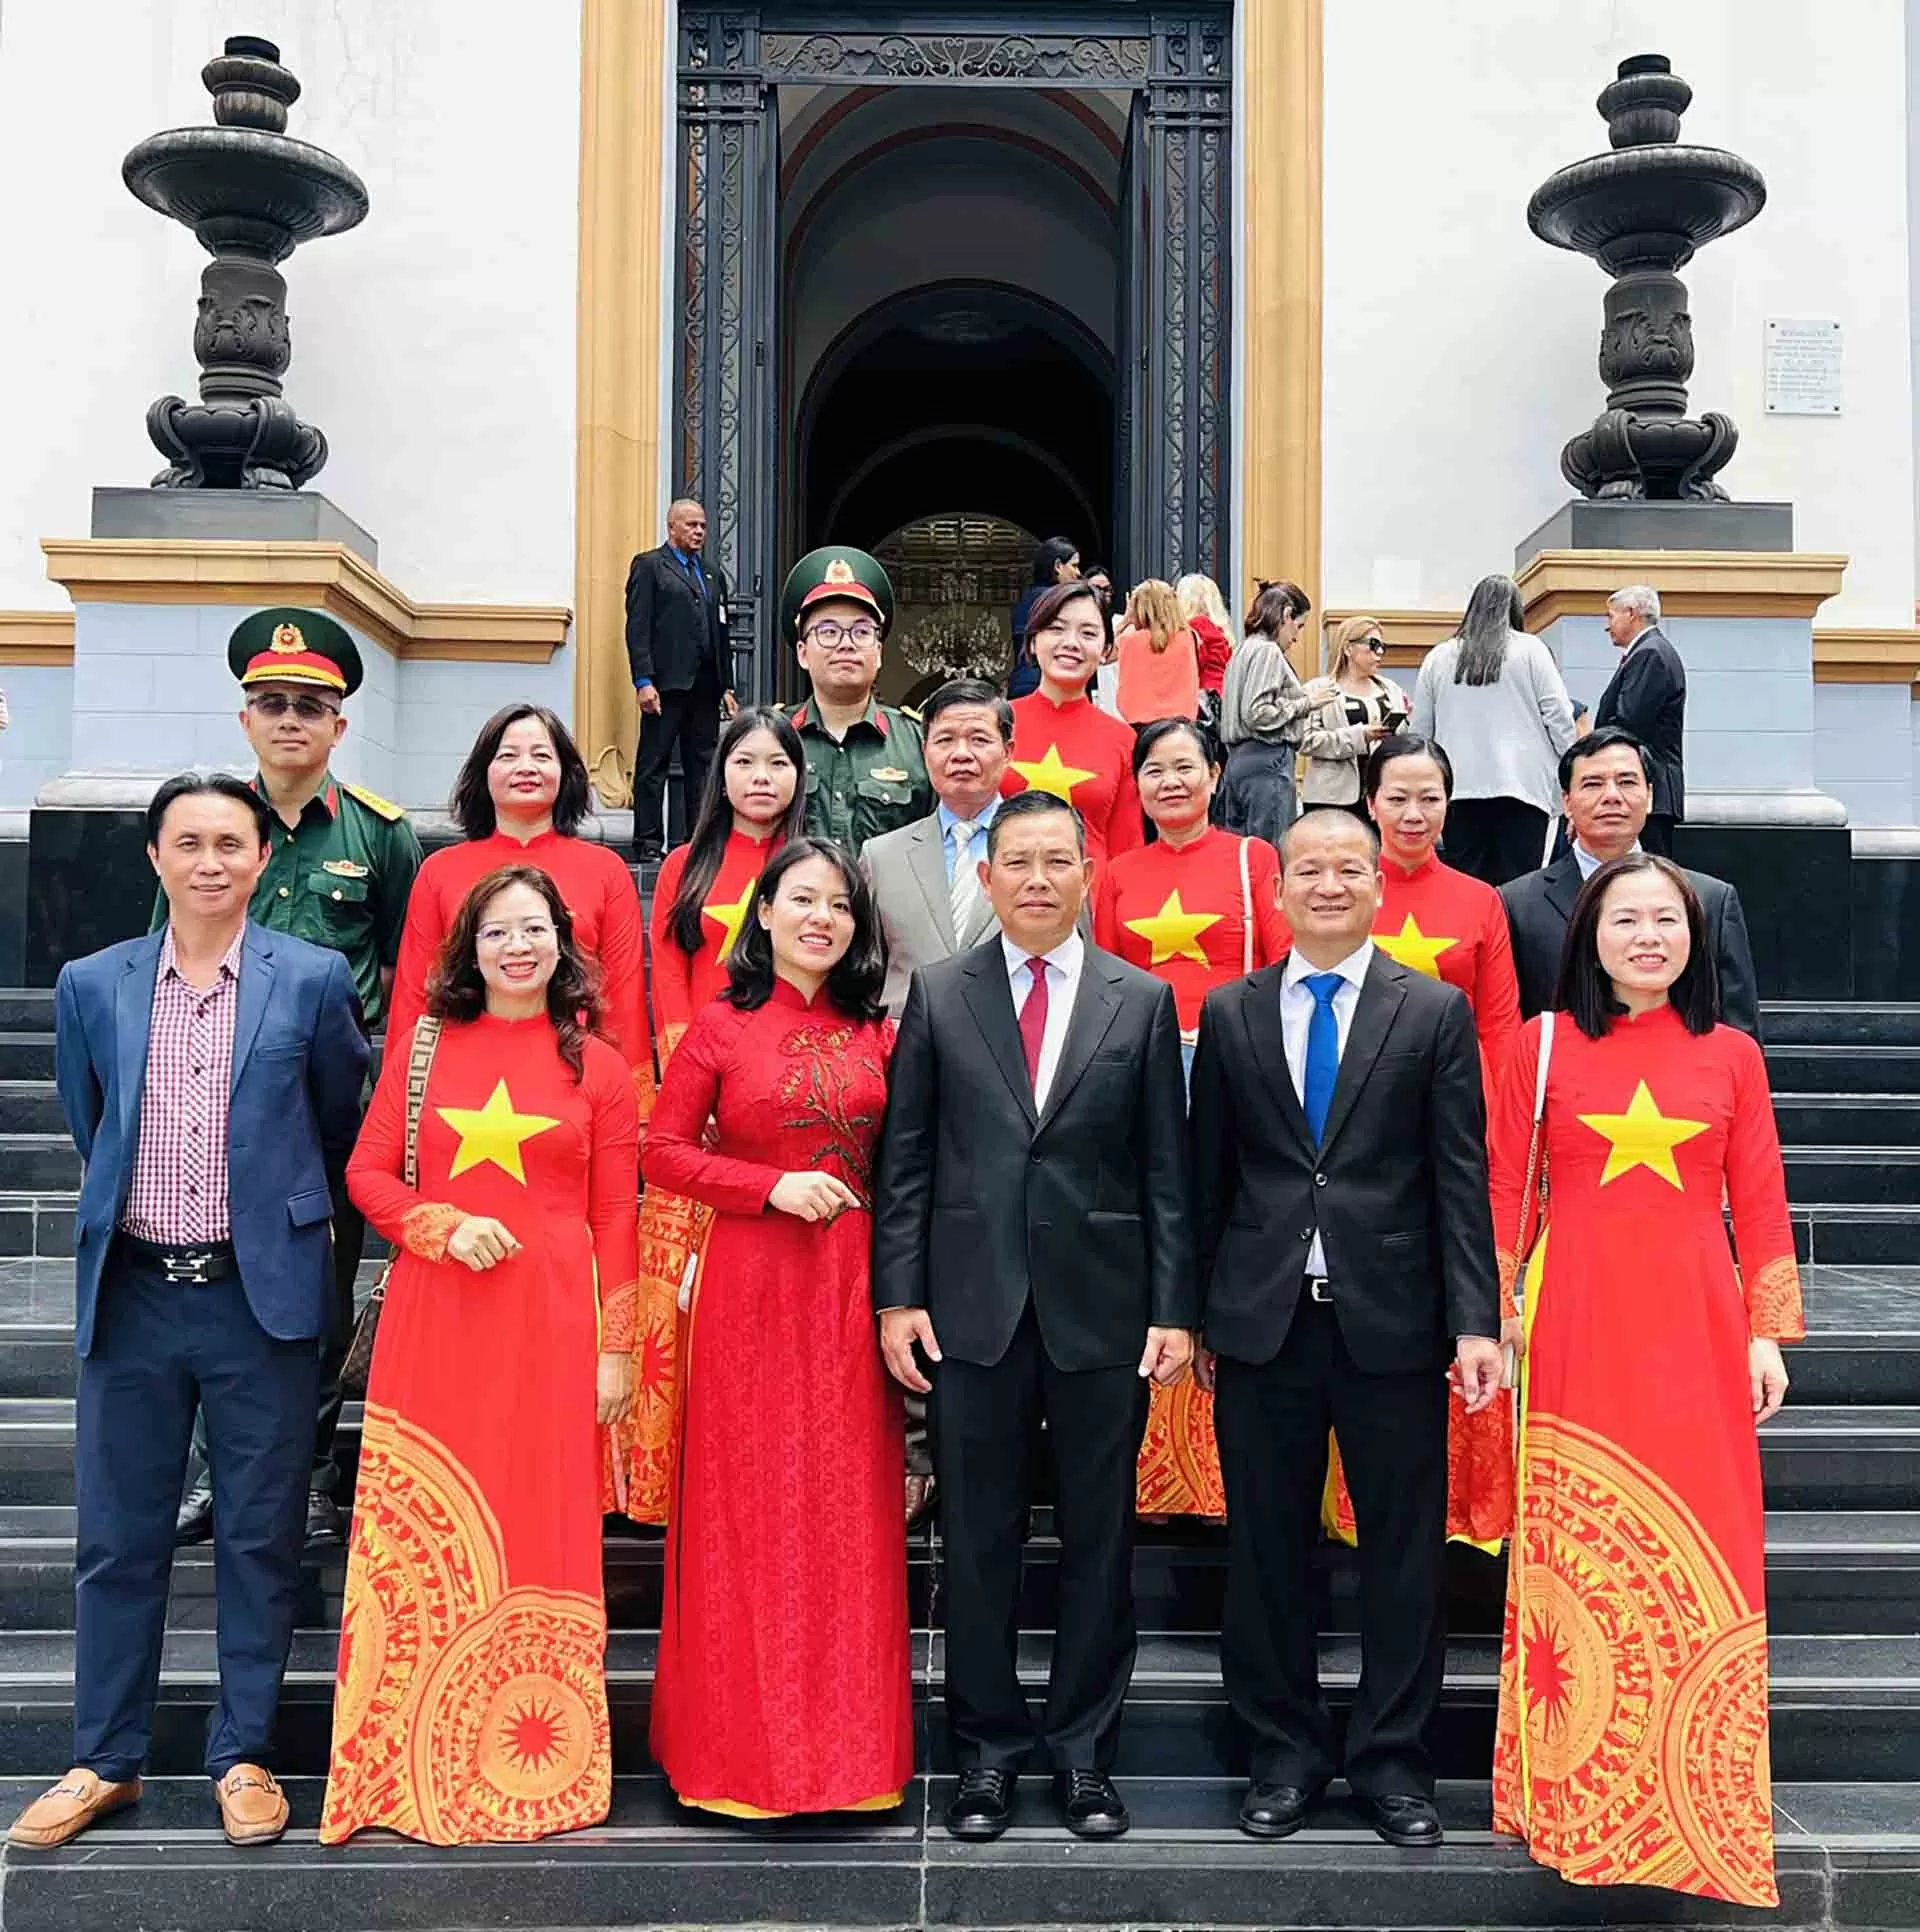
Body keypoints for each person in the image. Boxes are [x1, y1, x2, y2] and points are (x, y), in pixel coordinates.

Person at [8, 774, 366, 1853]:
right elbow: (90, 1121)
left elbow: (336, 1120)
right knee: (118, 1541)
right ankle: (103, 1759)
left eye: (231, 843)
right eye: (189, 843)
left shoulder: (309, 978)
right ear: (155, 858)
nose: (211, 861)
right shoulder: (90, 983)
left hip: (259, 1301)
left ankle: (242, 1754)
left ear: (264, 859)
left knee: (259, 1539)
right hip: (135, 1297)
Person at [874, 790, 1195, 1843]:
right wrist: (898, 1295)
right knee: (978, 1544)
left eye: (1060, 859)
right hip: (971, 1310)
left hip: (1105, 1316)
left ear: (1087, 875)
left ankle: (1084, 1756)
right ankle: (990, 1755)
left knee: (1101, 1544)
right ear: (987, 875)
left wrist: (1171, 1306)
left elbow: (1165, 1173)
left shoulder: (1137, 1000)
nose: (1040, 878)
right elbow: (908, 1159)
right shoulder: (944, 994)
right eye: (1019, 861)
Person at [1488, 855, 1800, 1908]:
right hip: (1573, 1327)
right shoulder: (1539, 1049)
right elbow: (1502, 1194)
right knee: (1576, 1562)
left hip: (1699, 1331)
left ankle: (1694, 1813)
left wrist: (1768, 1333)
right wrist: (1497, 1322)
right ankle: (1576, 1806)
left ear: (1695, 937)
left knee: (1707, 1552)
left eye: (1668, 919)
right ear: (1589, 936)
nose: (1650, 937)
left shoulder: (1735, 1057)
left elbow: (1759, 1196)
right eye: (1627, 919)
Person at [1188, 808, 1502, 1850]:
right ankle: (1281, 1757)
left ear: (1379, 887)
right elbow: (1206, 1180)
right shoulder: (1231, 1014)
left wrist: (1476, 1323)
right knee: (1266, 1551)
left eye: (1348, 869)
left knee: (1404, 1554)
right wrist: (1188, 1316)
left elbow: (1460, 1179)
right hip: (1263, 1321)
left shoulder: (1433, 1013)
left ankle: (1392, 1763)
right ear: (1278, 893)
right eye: (1308, 870)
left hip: (1396, 1324)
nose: (1328, 884)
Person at [320, 866, 638, 1844]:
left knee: (538, 1526)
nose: (517, 945)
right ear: (469, 947)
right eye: (497, 930)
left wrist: (618, 1350)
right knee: (426, 1536)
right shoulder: (422, 1045)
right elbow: (366, 1172)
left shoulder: (601, 1069)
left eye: (535, 927)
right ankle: (401, 1767)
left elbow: (616, 1217)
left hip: (552, 1327)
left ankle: (536, 1766)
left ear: (562, 943)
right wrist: (434, 1225)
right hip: (437, 1321)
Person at [645, 840, 911, 1817]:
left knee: (849, 1516)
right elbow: (663, 1153)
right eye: (802, 899)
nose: (821, 918)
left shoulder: (879, 1032)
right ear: (763, 913)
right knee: (745, 1515)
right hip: (751, 1289)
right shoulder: (719, 1028)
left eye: (839, 905)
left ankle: (847, 1764)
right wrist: (765, 1186)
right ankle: (736, 1763)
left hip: (853, 1290)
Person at [172, 609, 422, 1553]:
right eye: (272, 704)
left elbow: (404, 980)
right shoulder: (204, 827)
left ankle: (308, 1472)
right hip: (206, 1103)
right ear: (246, 720)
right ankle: (214, 1475)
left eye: (310, 707)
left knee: (312, 1302)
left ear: (338, 727)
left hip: (328, 1111)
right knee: (211, 1298)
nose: (290, 722)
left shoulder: (381, 836)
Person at [1320, 734, 1522, 1551]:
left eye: (1429, 797)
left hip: (1448, 1134)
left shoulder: (1480, 901)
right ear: (1369, 802)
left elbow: (1501, 1032)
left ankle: (1461, 1505)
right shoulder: (1338, 893)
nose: (1412, 812)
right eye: (1396, 796)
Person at [609, 706, 806, 1526]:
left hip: (781, 1103)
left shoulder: (809, 867)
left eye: (777, 764)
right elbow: (667, 983)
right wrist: (702, 1085)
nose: (761, 779)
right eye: (745, 763)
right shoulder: (688, 864)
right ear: (719, 774)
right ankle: (668, 1472)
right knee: (677, 1302)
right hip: (696, 1104)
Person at [1093, 719, 1287, 1519]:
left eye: (1185, 767)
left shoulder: (1255, 859)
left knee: (1219, 1220)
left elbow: (1279, 958)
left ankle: (1215, 1457)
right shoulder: (1114, 873)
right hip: (1142, 1064)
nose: (1170, 783)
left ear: (1215, 774)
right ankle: (1154, 1460)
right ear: (1134, 786)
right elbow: (1105, 977)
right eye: (1153, 770)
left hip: (1232, 1060)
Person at [388, 704, 646, 1069]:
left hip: (574, 1068)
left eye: (541, 755)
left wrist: (635, 1111)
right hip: (462, 1071)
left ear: (566, 772)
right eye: (508, 756)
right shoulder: (439, 872)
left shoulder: (606, 872)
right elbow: (415, 995)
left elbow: (623, 999)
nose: (526, 767)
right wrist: (403, 1093)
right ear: (484, 773)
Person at [1501, 728, 1759, 1036]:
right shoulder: (1516, 904)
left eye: (1626, 782)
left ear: (1649, 797)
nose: (1611, 795)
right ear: (1567, 803)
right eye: (1593, 784)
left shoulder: (1709, 900)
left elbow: (1739, 1033)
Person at [1410, 573, 1577, 887]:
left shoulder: (1439, 657)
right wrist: (1573, 773)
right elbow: (1559, 717)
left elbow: (1421, 732)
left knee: (1464, 884)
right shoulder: (1532, 650)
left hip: (1459, 788)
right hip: (1525, 788)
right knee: (1522, 886)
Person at [781, 545, 933, 856]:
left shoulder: (919, 742)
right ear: (802, 653)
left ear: (878, 652)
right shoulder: (774, 737)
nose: (846, 644)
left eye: (861, 632)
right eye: (828, 631)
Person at [1003, 581, 1146, 869]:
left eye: (1088, 633)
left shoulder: (1122, 739)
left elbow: (1127, 849)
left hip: (1089, 902)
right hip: (1003, 900)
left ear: (1106, 649)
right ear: (1032, 641)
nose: (1071, 643)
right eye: (1056, 629)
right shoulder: (997, 725)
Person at [626, 496, 738, 863]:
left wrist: (727, 685)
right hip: (666, 684)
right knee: (653, 763)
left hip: (705, 687)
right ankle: (647, 842)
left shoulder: (711, 574)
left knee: (703, 767)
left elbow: (721, 630)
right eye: (691, 525)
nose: (699, 531)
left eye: (703, 526)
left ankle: (697, 842)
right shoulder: (650, 567)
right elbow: (638, 626)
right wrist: (643, 679)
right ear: (671, 526)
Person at [1218, 578, 1329, 847]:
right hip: (1267, 761)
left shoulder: (1242, 650)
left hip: (1237, 763)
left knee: (1241, 852)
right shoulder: (1267, 651)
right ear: (1286, 615)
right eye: (1298, 626)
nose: (1296, 637)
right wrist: (1307, 702)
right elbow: (1257, 712)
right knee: (1270, 853)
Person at [1595, 582, 1686, 856]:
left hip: (1650, 786)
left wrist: (1593, 750)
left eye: (1611, 616)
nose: (1607, 626)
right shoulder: (1649, 650)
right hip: (1645, 785)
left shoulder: (1649, 653)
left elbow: (1630, 721)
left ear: (1631, 613)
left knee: (1649, 871)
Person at [1300, 616, 1411, 817]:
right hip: (1331, 798)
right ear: (1348, 648)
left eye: (1382, 646)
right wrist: (1360, 736)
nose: (1379, 653)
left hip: (1381, 795)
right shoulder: (1319, 689)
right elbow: (1306, 741)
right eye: (1373, 645)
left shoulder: (1390, 689)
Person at [1114, 578, 1200, 725]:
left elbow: (1103, 654)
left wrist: (1124, 622)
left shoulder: (1128, 641)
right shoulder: (1189, 638)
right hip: (1182, 723)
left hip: (1141, 723)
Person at [1007, 536, 1081, 699]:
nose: (1078, 573)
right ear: (1058, 566)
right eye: (1074, 565)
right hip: (1045, 685)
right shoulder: (1057, 599)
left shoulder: (1025, 598)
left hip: (1021, 681)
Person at [1175, 572, 1235, 704]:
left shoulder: (1196, 625)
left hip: (1203, 696)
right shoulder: (1219, 629)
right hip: (1220, 693)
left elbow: (1193, 664)